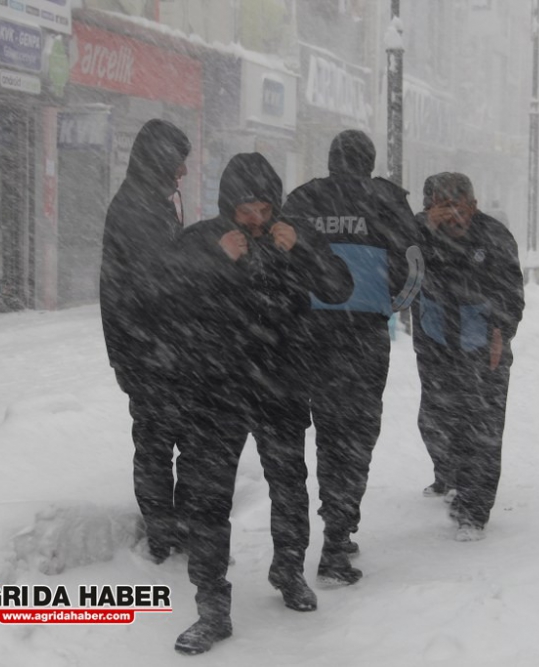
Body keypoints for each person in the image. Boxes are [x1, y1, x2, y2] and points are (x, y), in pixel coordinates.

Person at [170, 153, 353, 655]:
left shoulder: (294, 236)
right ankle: (212, 605)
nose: (255, 218)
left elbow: (341, 287)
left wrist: (306, 253)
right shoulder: (202, 240)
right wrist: (214, 260)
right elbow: (160, 295)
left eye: (263, 208)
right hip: (216, 388)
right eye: (246, 208)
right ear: (229, 205)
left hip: (282, 384)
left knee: (289, 484)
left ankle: (288, 571)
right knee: (208, 498)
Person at [282, 130, 423, 586]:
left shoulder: (303, 199)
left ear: (330, 158)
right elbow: (414, 264)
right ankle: (338, 537)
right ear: (369, 160)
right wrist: (390, 303)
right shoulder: (387, 200)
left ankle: (330, 521)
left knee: (327, 431)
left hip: (312, 335)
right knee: (357, 434)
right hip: (363, 337)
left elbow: (281, 260)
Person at [411, 173, 525, 542]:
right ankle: (455, 480)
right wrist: (426, 228)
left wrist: (500, 333)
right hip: (436, 343)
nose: (454, 216)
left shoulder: (493, 236)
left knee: (484, 427)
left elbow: (511, 292)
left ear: (474, 206)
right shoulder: (418, 233)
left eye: (461, 207)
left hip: (483, 346)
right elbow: (396, 260)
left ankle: (475, 510)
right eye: (443, 207)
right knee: (440, 419)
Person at [99, 119, 191, 564]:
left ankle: (170, 528)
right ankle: (165, 534)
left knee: (160, 441)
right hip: (153, 351)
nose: (184, 174)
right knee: (160, 443)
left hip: (154, 349)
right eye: (179, 164)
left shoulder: (148, 202)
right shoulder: (138, 210)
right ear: (162, 162)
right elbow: (154, 287)